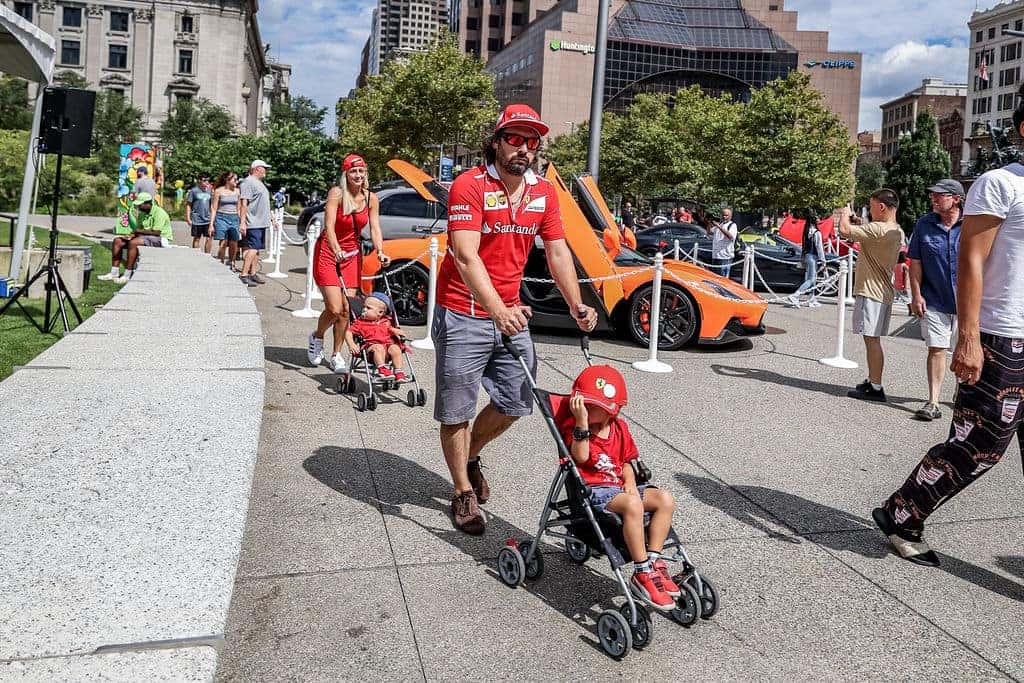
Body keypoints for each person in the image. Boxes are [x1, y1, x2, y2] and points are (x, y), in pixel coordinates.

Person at [435, 103, 598, 535]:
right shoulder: (469, 185)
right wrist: (498, 311)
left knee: (515, 402)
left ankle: (468, 456)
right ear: (496, 142)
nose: (523, 148)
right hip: (464, 313)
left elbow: (558, 250)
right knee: (456, 411)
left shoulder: (543, 192)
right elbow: (466, 257)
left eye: (531, 141)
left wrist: (574, 303)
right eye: (514, 138)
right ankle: (462, 490)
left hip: (509, 315)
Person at [873, 127, 1024, 568]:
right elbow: (971, 259)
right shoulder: (1001, 183)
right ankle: (903, 515)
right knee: (978, 445)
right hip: (1002, 335)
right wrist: (970, 338)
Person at [563, 364, 680, 610]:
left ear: (609, 411)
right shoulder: (576, 427)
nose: (583, 409)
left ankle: (655, 561)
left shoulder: (619, 429)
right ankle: (641, 571)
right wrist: (582, 422)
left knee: (665, 499)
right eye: (582, 405)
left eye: (589, 407)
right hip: (595, 491)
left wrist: (628, 481)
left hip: (619, 486)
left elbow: (626, 462)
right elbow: (581, 458)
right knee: (633, 503)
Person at [307, 154, 389, 373]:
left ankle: (336, 354)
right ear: (346, 174)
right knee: (334, 307)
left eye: (362, 171)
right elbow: (330, 226)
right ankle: (317, 336)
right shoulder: (337, 193)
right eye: (353, 171)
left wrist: (380, 250)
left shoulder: (371, 198)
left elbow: (374, 228)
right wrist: (336, 249)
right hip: (328, 253)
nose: (358, 175)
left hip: (352, 256)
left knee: (346, 310)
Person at [837, 190, 904, 402]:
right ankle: (872, 379)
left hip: (871, 292)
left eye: (872, 205)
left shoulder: (877, 228)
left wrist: (844, 213)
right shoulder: (894, 229)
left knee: (872, 340)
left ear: (881, 207)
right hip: (881, 292)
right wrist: (859, 221)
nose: (870, 208)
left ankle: (876, 387)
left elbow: (844, 231)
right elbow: (867, 233)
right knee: (872, 339)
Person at [908, 179, 964, 421]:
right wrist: (916, 294)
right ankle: (933, 402)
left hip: (967, 303)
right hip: (934, 300)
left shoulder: (972, 224)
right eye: (933, 195)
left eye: (940, 195)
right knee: (937, 349)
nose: (934, 199)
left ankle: (961, 395)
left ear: (956, 199)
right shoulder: (924, 225)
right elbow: (915, 263)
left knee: (963, 351)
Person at [98, 192, 173, 284]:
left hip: (161, 238)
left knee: (134, 243)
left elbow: (156, 232)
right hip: (145, 237)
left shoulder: (159, 213)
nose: (138, 207)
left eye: (140, 205)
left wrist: (137, 232)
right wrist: (131, 235)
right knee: (117, 241)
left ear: (148, 203)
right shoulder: (142, 214)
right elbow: (139, 229)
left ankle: (127, 275)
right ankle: (114, 272)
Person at [346, 292, 408, 381]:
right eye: (364, 306)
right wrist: (351, 344)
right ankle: (382, 369)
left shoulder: (386, 321)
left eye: (368, 308)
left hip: (388, 346)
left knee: (396, 348)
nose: (364, 309)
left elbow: (389, 328)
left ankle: (398, 371)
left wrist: (394, 330)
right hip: (370, 348)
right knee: (378, 347)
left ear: (380, 312)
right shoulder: (360, 323)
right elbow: (348, 332)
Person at [238, 160, 276, 286]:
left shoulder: (259, 183)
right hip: (253, 222)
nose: (266, 170)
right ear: (256, 169)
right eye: (264, 168)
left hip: (260, 222)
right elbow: (244, 203)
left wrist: (271, 218)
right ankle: (244, 274)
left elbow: (264, 203)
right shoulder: (248, 182)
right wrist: (242, 223)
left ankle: (253, 273)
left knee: (257, 249)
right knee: (253, 248)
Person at [787, 211, 825, 308]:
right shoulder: (817, 233)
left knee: (810, 278)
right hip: (813, 257)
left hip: (807, 256)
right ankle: (796, 295)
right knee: (811, 279)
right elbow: (819, 247)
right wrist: (823, 260)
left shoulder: (807, 231)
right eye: (817, 218)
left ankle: (811, 299)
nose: (819, 219)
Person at [210, 171, 242, 269]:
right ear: (227, 180)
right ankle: (221, 262)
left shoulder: (237, 191)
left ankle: (231, 261)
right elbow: (214, 208)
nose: (236, 181)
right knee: (223, 242)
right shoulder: (218, 191)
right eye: (234, 179)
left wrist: (241, 222)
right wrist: (211, 224)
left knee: (233, 242)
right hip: (221, 217)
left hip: (234, 217)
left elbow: (239, 208)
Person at [186, 174, 213, 253]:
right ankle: (196, 255)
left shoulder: (210, 191)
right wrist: (188, 218)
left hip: (207, 219)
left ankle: (207, 255)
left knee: (209, 237)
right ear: (199, 181)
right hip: (197, 219)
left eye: (208, 180)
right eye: (204, 180)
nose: (206, 182)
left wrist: (213, 218)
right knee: (197, 238)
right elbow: (188, 205)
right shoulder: (194, 191)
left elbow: (212, 205)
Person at [707, 207, 737, 277]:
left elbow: (731, 237)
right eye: (723, 215)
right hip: (715, 256)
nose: (724, 217)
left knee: (723, 280)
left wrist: (719, 227)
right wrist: (709, 222)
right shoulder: (720, 224)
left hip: (725, 257)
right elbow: (709, 232)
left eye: (726, 215)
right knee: (715, 279)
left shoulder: (732, 225)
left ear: (730, 216)